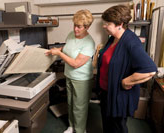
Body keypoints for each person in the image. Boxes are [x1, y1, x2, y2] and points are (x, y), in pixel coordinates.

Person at [95, 5, 157, 133]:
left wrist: (126, 81)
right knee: (107, 125)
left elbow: (150, 69)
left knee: (118, 127)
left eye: (107, 23)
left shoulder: (130, 41)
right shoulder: (113, 38)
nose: (104, 26)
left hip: (118, 96)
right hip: (107, 92)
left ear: (120, 24)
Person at [46, 9, 95, 133]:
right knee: (70, 103)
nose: (75, 29)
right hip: (69, 75)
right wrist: (59, 49)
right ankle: (72, 126)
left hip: (82, 79)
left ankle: (80, 130)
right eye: (74, 25)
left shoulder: (89, 43)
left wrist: (58, 54)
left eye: (79, 27)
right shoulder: (71, 34)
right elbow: (67, 47)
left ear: (87, 27)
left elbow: (76, 63)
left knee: (79, 107)